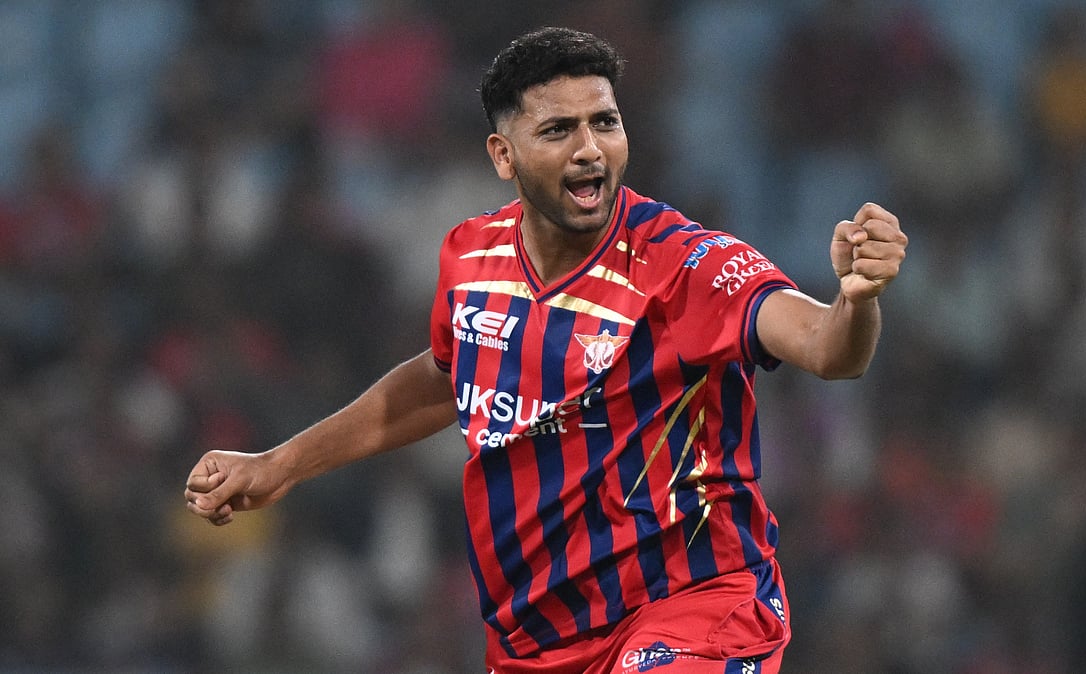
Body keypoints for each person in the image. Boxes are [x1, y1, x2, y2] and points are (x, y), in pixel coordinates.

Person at [184, 26, 908, 673]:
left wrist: (857, 299)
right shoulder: (472, 257)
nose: (590, 148)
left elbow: (827, 348)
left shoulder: (686, 264)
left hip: (694, 608)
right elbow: (443, 379)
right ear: (504, 155)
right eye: (559, 129)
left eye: (605, 122)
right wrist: (279, 465)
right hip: (538, 641)